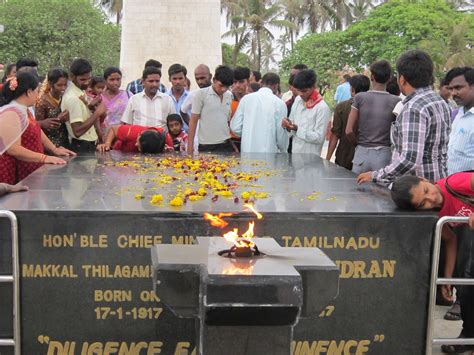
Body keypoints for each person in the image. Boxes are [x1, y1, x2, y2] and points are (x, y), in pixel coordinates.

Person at [391, 173, 474, 354]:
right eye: (423, 203)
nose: (432, 198)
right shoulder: (434, 214)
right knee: (466, 290)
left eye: (426, 190)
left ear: (424, 179)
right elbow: (450, 239)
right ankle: (469, 337)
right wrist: (448, 278)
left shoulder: (453, 183)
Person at [357, 50, 451, 187]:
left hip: (417, 189)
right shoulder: (439, 101)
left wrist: (375, 176)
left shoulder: (414, 107)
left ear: (402, 79)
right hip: (438, 182)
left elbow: (410, 159)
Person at [0, 72, 75, 184]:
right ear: (29, 92)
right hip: (9, 169)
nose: (38, 94)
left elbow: (37, 130)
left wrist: (54, 149)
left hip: (27, 165)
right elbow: (13, 149)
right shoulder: (11, 113)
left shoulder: (23, 109)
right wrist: (44, 158)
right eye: (36, 91)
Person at [346, 60, 401, 174]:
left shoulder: (360, 98)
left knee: (357, 190)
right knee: (380, 191)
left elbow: (348, 131)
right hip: (384, 156)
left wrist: (358, 144)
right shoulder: (396, 101)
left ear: (372, 77)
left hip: (361, 154)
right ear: (389, 78)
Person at [230, 73, 288, 153]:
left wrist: (248, 133)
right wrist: (283, 149)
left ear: (261, 83)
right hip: (269, 153)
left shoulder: (246, 99)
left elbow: (235, 127)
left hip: (247, 151)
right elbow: (280, 135)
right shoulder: (279, 103)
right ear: (276, 86)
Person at [281, 69, 331, 156]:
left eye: (304, 91)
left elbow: (319, 138)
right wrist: (288, 125)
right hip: (295, 154)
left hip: (311, 158)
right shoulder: (297, 100)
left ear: (313, 87)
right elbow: (292, 123)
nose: (300, 94)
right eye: (298, 90)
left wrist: (297, 129)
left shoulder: (322, 108)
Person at [326, 74, 370, 170]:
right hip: (365, 159)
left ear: (352, 89)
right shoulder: (372, 108)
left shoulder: (341, 107)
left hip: (344, 157)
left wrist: (327, 159)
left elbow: (335, 135)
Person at [61, 58, 106, 153]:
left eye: (89, 78)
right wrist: (97, 113)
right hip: (81, 145)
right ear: (72, 76)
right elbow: (77, 131)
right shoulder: (73, 97)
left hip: (88, 144)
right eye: (82, 79)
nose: (86, 82)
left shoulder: (80, 91)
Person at [187, 65, 235, 154]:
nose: (223, 89)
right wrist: (189, 151)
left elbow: (226, 122)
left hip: (225, 145)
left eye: (227, 87)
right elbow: (193, 122)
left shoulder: (229, 96)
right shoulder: (201, 95)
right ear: (214, 80)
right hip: (206, 147)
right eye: (221, 85)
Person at [445, 67, 474, 175]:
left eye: (458, 88)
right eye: (451, 89)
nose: (453, 93)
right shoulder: (458, 114)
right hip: (450, 185)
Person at [35, 68, 70, 148]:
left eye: (65, 85)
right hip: (49, 145)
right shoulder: (42, 102)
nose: (63, 88)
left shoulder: (66, 98)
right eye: (59, 85)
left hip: (66, 143)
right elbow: (37, 125)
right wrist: (58, 119)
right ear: (50, 84)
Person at [96, 124, 172, 154]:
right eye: (137, 143)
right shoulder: (132, 132)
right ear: (139, 135)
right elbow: (114, 129)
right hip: (120, 153)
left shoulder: (166, 139)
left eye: (139, 147)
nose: (135, 144)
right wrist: (107, 144)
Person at [101, 67, 129, 133]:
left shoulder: (128, 95)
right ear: (105, 81)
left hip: (122, 133)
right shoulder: (100, 98)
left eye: (118, 79)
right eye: (112, 80)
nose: (115, 83)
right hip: (103, 134)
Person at [166, 64, 189, 129]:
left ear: (185, 79)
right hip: (169, 137)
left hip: (188, 136)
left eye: (180, 78)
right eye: (174, 79)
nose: (177, 82)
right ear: (169, 79)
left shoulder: (191, 98)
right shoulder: (164, 98)